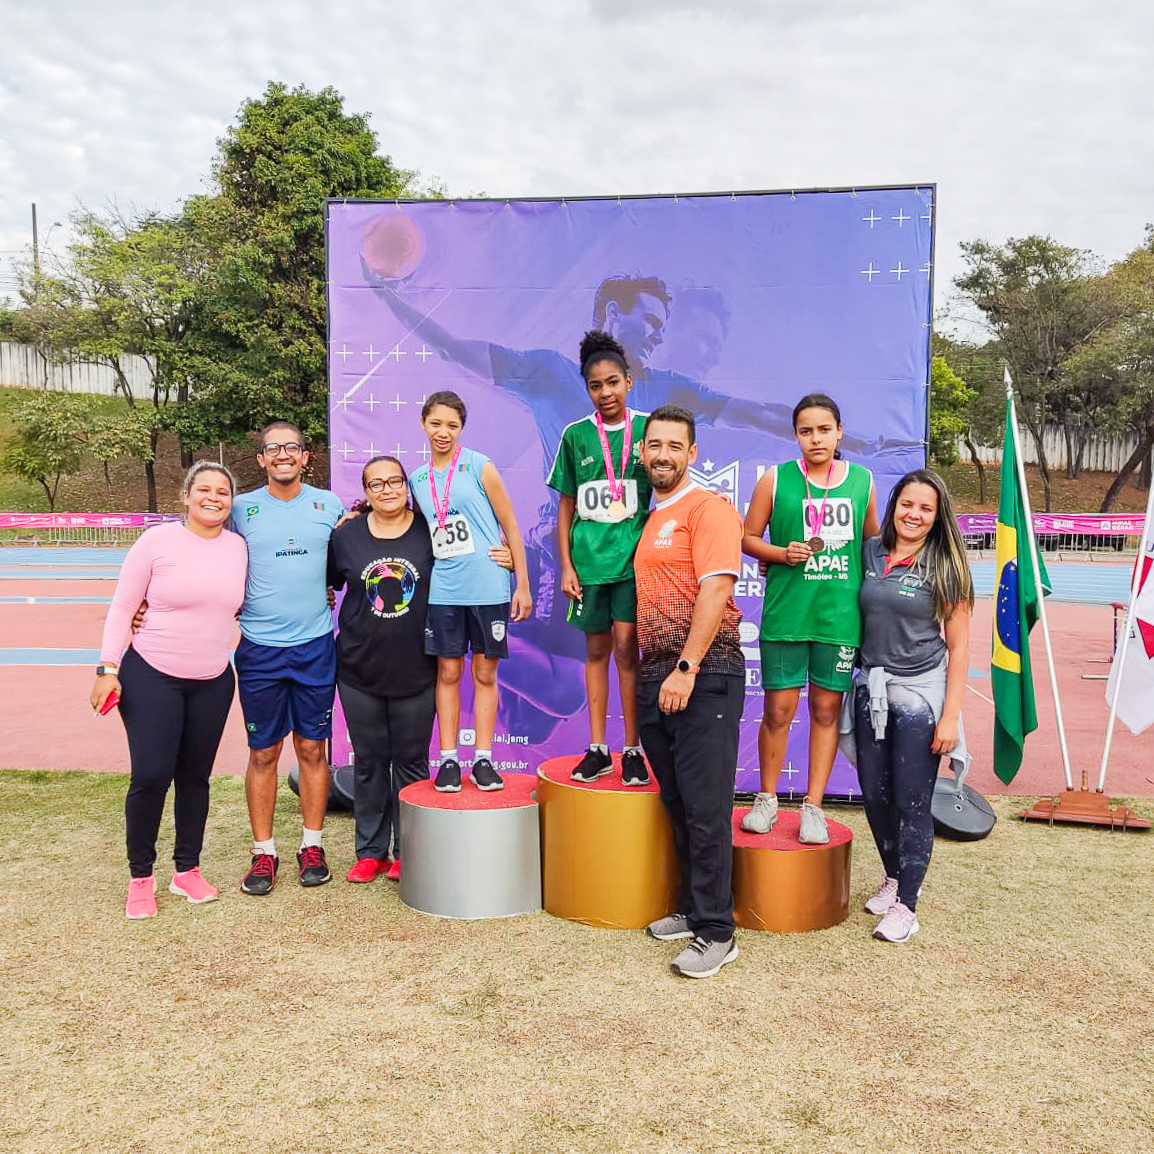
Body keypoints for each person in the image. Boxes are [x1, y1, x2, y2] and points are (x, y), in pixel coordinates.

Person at [327, 456, 514, 883]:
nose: (387, 489)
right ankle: (370, 851)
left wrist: (503, 555)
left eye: (394, 481)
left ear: (406, 487)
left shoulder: (429, 530)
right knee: (370, 762)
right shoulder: (346, 536)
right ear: (366, 491)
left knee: (411, 762)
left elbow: (470, 559)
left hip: (417, 669)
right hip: (358, 670)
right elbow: (328, 583)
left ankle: (408, 851)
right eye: (376, 484)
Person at [91, 462, 247, 919]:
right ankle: (141, 876)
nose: (214, 497)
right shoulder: (157, 541)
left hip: (214, 681)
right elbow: (123, 606)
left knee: (195, 778)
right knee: (152, 775)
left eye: (223, 491)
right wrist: (107, 667)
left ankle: (187, 870)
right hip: (151, 675)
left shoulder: (238, 547)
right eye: (204, 489)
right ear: (186, 495)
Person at [634, 405, 745, 979]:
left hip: (705, 674)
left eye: (675, 446)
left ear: (692, 454)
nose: (663, 455)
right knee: (677, 802)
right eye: (654, 445)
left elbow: (717, 587)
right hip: (655, 674)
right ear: (642, 450)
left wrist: (686, 667)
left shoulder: (710, 508)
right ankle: (692, 908)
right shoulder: (651, 519)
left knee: (706, 807)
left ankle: (717, 932)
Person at [741, 394, 879, 844]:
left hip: (839, 620)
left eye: (824, 429)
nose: (815, 438)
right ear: (795, 435)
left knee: (825, 711)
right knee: (777, 711)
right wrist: (779, 554)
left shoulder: (863, 481)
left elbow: (872, 546)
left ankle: (814, 807)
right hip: (787, 615)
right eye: (806, 430)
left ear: (839, 431)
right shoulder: (775, 480)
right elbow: (746, 538)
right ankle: (766, 797)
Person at [848, 470, 973, 943]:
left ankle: (908, 906)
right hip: (872, 691)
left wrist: (951, 715)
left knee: (911, 800)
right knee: (875, 797)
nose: (914, 515)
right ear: (893, 505)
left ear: (938, 516)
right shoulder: (871, 553)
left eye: (925, 508)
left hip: (921, 696)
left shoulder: (946, 567)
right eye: (907, 504)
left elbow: (959, 648)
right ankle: (894, 876)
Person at [230, 421, 346, 895]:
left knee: (313, 749)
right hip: (258, 650)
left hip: (316, 646)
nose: (282, 455)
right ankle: (264, 854)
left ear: (305, 456)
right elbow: (203, 554)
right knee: (264, 753)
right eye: (272, 449)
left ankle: (311, 845)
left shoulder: (329, 505)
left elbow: (351, 561)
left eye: (291, 448)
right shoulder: (240, 509)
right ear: (261, 459)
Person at [409, 391, 532, 792]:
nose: (443, 432)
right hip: (444, 589)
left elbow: (511, 524)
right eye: (436, 423)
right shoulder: (418, 478)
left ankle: (482, 758)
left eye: (452, 425)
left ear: (462, 428)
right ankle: (447, 759)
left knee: (484, 672)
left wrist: (522, 583)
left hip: (489, 586)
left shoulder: (480, 466)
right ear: (424, 423)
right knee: (448, 672)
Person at [547, 331, 652, 786]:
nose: (605, 392)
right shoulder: (575, 435)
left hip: (633, 563)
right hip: (589, 565)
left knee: (629, 652)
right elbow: (565, 506)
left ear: (629, 381)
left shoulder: (650, 429)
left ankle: (632, 747)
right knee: (595, 651)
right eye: (595, 385)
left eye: (613, 382)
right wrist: (566, 566)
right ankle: (597, 747)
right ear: (586, 389)